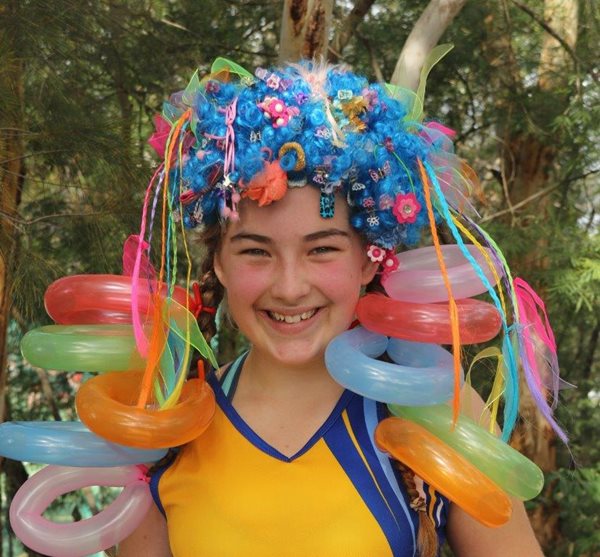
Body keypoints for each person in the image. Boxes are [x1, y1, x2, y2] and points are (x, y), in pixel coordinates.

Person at [118, 58, 549, 557]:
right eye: (256, 251)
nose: (290, 287)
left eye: (322, 249)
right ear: (218, 264)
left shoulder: (437, 413)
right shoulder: (166, 426)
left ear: (371, 261)